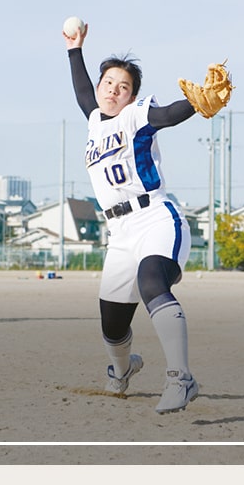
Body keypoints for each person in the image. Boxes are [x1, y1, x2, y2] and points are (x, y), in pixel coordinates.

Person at [63, 22, 206, 414]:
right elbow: (80, 92)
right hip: (119, 232)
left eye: (122, 86)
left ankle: (181, 377)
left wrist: (197, 102)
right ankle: (123, 370)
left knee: (152, 283)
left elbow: (167, 115)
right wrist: (75, 50)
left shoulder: (135, 117)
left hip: (156, 218)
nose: (112, 89)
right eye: (108, 82)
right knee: (112, 325)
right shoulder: (94, 123)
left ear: (132, 96)